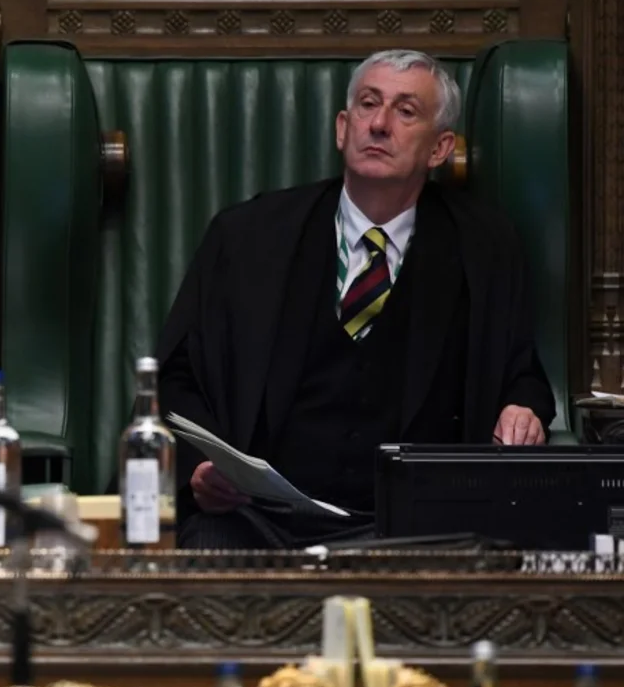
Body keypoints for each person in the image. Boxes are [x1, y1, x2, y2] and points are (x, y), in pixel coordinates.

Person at [157, 49, 555, 550]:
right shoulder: (247, 237)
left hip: (413, 528)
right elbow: (176, 379)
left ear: (440, 148)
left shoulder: (485, 247)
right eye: (368, 105)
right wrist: (201, 471)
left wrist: (522, 406)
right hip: (257, 519)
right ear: (343, 128)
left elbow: (520, 369)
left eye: (406, 111)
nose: (380, 124)